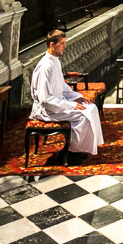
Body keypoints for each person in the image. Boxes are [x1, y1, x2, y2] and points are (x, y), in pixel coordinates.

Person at [30, 30, 104, 159]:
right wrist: (71, 105)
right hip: (47, 109)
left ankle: (83, 147)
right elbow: (45, 99)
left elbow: (62, 85)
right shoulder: (45, 66)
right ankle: (72, 152)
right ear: (52, 45)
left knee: (91, 107)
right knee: (83, 116)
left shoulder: (55, 61)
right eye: (62, 43)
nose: (65, 46)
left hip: (57, 104)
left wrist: (76, 97)